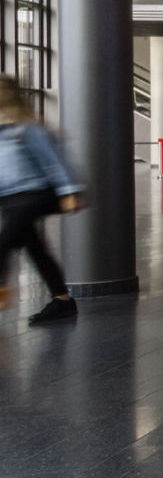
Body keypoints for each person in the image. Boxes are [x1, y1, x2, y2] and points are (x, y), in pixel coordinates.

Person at [0, 75, 83, 325]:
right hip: (9, 198)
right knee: (36, 250)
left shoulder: (27, 128)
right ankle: (62, 301)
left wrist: (70, 191)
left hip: (33, 195)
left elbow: (54, 161)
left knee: (3, 244)